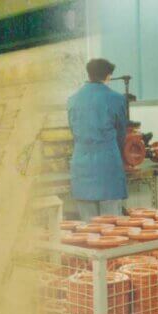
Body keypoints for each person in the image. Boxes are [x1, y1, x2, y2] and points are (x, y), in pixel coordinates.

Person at [67, 58, 129, 220]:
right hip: (108, 165)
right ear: (108, 76)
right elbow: (122, 133)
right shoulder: (116, 99)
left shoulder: (72, 100)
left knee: (88, 230)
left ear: (89, 74)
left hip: (81, 165)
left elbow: (74, 131)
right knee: (111, 229)